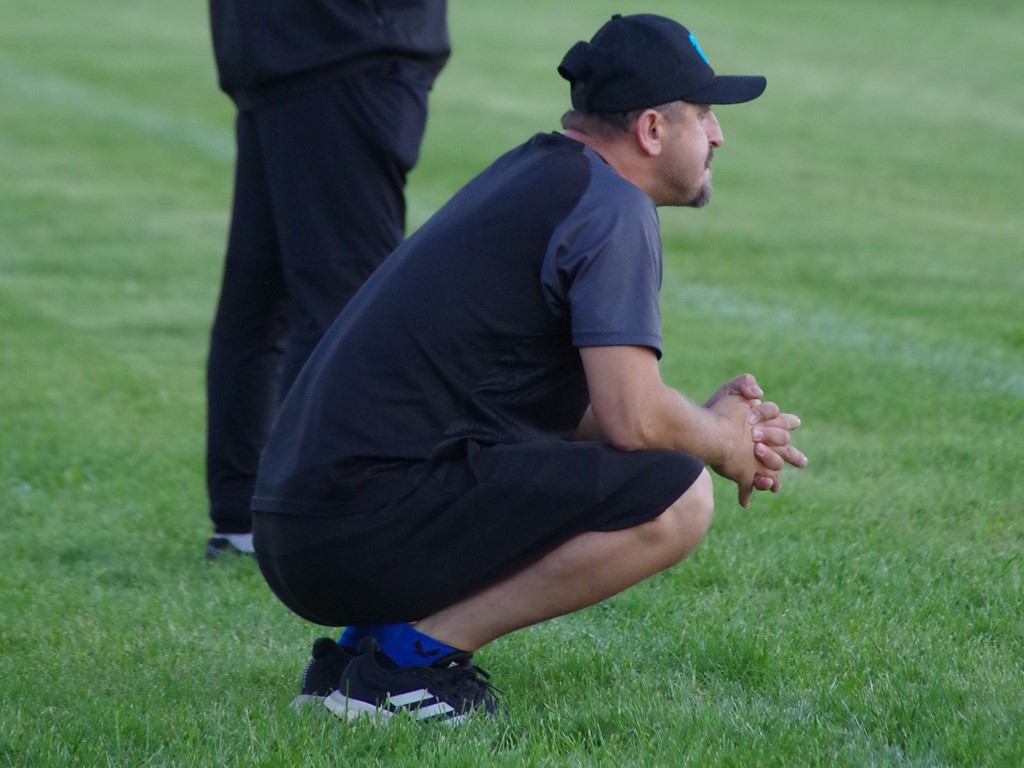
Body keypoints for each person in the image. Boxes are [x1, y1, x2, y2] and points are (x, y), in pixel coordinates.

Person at [252, 13, 808, 722]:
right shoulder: (611, 208)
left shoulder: (540, 173)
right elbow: (632, 420)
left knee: (642, 463)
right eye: (704, 114)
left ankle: (362, 654)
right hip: (349, 527)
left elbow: (582, 413)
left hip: (303, 528)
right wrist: (720, 440)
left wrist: (700, 421)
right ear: (651, 130)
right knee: (679, 499)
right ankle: (407, 668)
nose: (719, 134)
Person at [203, 0, 450, 558]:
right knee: (349, 306)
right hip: (345, 45)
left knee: (261, 298)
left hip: (279, 44)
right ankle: (310, 520)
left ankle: (248, 517)